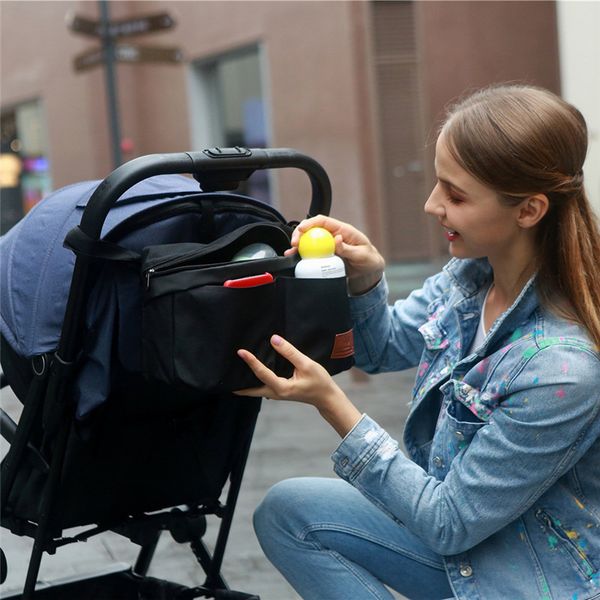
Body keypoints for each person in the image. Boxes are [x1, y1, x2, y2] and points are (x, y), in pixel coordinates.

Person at [236, 84, 600, 600]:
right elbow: (382, 349)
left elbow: (448, 521)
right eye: (437, 185)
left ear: (529, 210)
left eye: (456, 196)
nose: (432, 206)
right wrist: (365, 279)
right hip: (471, 543)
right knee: (288, 512)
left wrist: (331, 404)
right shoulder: (470, 278)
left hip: (526, 577)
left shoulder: (563, 369)